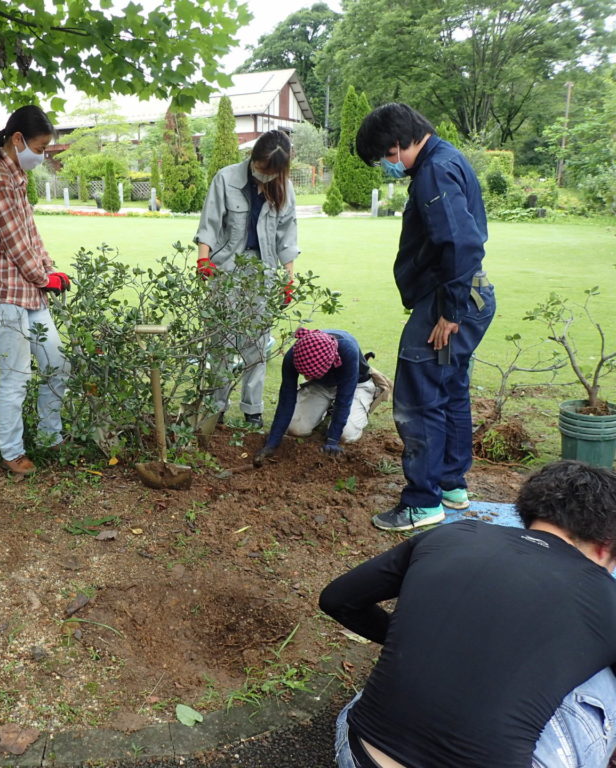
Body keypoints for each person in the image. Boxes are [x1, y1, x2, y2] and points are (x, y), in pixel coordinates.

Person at [321, 460, 616, 768]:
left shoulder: (452, 534)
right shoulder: (606, 594)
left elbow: (338, 599)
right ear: (605, 544)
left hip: (360, 754)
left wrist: (414, 639)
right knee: (602, 676)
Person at [355, 103, 495, 532]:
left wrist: (449, 312)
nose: (385, 166)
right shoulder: (447, 159)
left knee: (418, 399)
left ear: (397, 145)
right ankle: (451, 486)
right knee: (450, 391)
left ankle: (422, 502)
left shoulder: (434, 171)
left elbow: (463, 243)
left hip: (448, 302)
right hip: (467, 296)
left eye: (384, 158)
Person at [0, 104, 70, 477]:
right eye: (41, 147)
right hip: (3, 296)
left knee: (57, 364)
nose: (42, 155)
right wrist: (44, 278)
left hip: (28, 294)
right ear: (18, 140)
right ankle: (12, 452)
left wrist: (51, 269)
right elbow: (14, 243)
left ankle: (50, 435)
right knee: (16, 376)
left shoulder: (17, 178)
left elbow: (32, 236)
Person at [194, 129, 299, 427]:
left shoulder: (284, 188)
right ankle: (218, 407)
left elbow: (287, 236)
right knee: (221, 341)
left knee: (257, 343)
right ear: (253, 159)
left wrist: (288, 279)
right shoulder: (225, 179)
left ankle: (253, 410)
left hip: (263, 273)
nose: (264, 175)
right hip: (225, 270)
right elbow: (210, 224)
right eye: (262, 168)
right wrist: (203, 259)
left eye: (272, 171)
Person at [252, 328, 390, 467]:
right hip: (322, 384)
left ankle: (358, 407)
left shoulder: (348, 351)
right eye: (303, 374)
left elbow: (344, 399)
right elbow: (286, 398)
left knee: (346, 435)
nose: (305, 378)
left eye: (309, 374)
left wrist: (332, 440)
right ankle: (327, 408)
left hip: (355, 385)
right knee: (296, 429)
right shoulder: (294, 354)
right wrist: (272, 442)